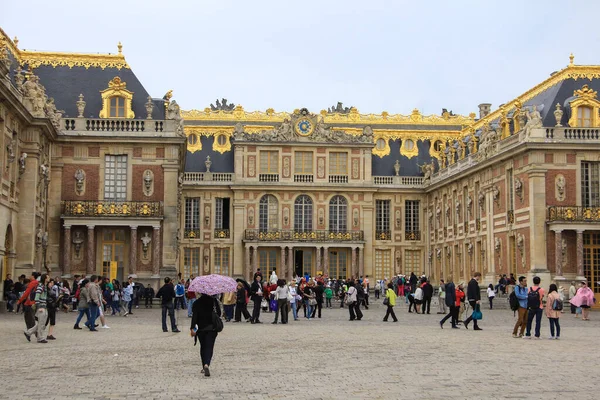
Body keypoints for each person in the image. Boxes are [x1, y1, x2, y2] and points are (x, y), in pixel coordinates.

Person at [191, 293, 221, 377]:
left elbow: (194, 317)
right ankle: (207, 364)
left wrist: (193, 328)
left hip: (201, 329)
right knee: (209, 347)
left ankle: (203, 365)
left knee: (203, 347)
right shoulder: (214, 301)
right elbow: (219, 313)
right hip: (212, 328)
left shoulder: (197, 302)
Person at [24, 274, 50, 343]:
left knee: (42, 323)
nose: (49, 278)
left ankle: (28, 333)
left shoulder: (45, 286)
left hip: (44, 306)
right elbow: (37, 297)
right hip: (41, 306)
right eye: (48, 277)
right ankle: (40, 338)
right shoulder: (41, 286)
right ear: (45, 278)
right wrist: (38, 307)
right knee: (41, 323)